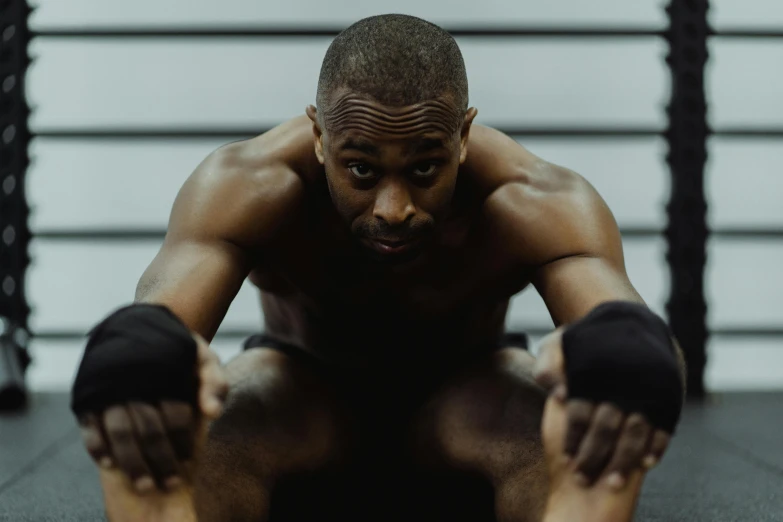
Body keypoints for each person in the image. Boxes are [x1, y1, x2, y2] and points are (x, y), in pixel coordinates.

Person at [71, 14, 685, 522]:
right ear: (318, 135)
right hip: (302, 390)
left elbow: (621, 321)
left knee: (580, 417)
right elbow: (160, 318)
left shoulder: (533, 200)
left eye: (424, 169)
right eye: (361, 169)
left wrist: (625, 357)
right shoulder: (250, 184)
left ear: (463, 136)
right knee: (181, 413)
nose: (394, 209)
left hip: (468, 391)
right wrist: (139, 358)